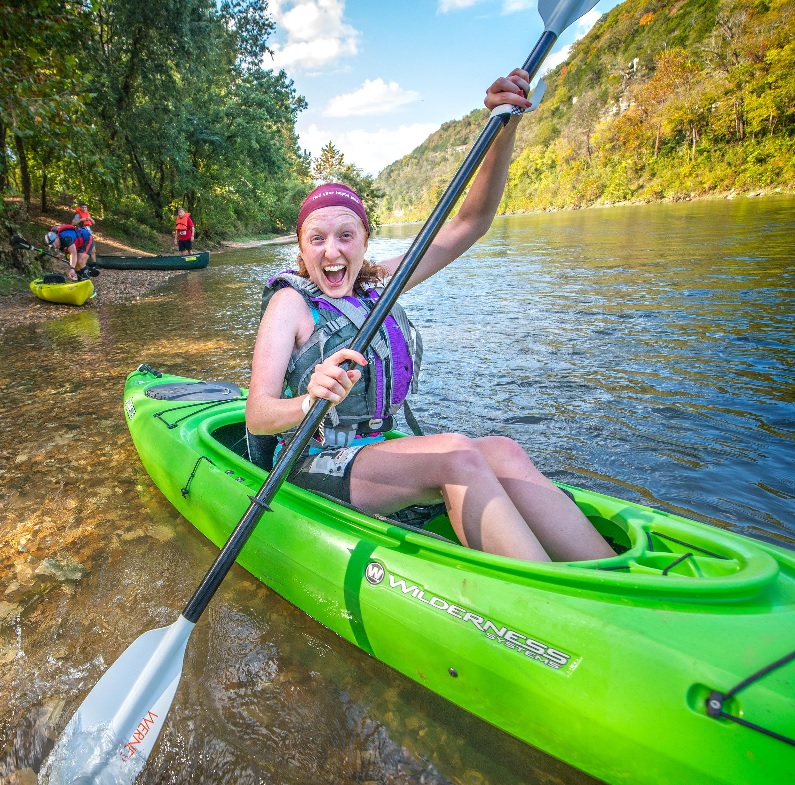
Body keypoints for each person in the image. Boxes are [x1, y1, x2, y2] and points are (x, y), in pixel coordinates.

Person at [246, 70, 616, 564]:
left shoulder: (381, 283)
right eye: (317, 239)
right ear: (301, 247)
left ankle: (606, 574)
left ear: (364, 241)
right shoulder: (289, 304)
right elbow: (259, 415)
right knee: (457, 455)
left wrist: (504, 127)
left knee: (502, 449)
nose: (331, 251)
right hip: (311, 459)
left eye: (345, 236)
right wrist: (307, 399)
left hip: (374, 450)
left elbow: (471, 222)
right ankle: (549, 606)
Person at [71, 201, 97, 266]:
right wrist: (80, 220)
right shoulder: (78, 215)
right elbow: (73, 223)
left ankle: (94, 264)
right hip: (82, 233)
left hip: (89, 232)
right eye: (83, 207)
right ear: (80, 208)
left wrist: (90, 219)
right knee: (84, 250)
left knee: (93, 250)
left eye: (85, 207)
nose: (84, 209)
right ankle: (82, 264)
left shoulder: (88, 214)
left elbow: (94, 223)